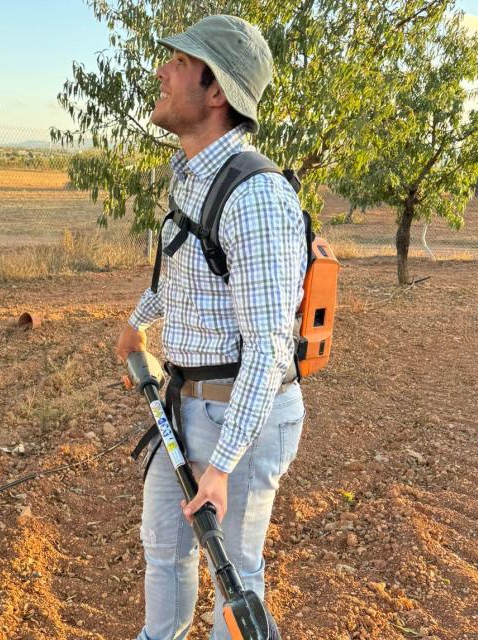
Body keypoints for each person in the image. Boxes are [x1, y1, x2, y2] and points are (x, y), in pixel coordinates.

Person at [116, 14, 309, 640]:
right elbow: (181, 270)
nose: (161, 71)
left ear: (215, 88)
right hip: (183, 403)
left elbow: (270, 346)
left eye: (177, 62)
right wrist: (135, 325)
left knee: (237, 581)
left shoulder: (257, 196)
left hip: (241, 421)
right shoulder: (193, 176)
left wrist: (222, 468)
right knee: (166, 551)